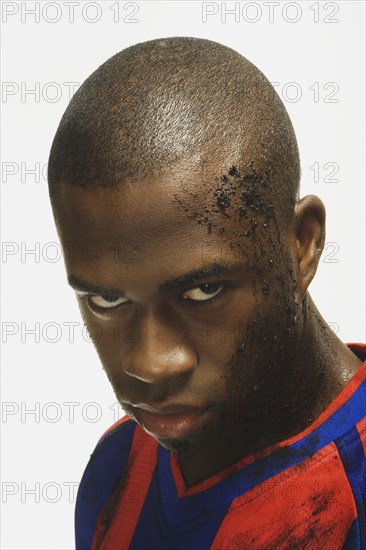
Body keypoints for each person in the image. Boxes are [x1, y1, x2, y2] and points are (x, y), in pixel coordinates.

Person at [47, 37, 365, 549]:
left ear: (303, 244)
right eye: (107, 301)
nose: (151, 364)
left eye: (204, 290)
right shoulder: (118, 469)